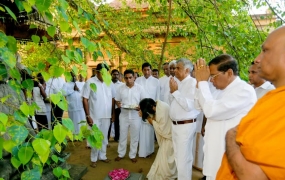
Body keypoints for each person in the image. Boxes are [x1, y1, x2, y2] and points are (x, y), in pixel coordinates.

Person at [216, 26, 285, 180]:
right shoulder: (273, 98)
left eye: (265, 51)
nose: (257, 59)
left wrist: (230, 138)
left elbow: (252, 176)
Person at [194, 55, 257, 180]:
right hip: (214, 153)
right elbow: (198, 106)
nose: (211, 81)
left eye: (213, 76)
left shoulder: (244, 91)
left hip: (227, 158)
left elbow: (211, 110)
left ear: (229, 73)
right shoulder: (219, 90)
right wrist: (198, 83)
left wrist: (202, 83)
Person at [169, 58, 199, 180]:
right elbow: (173, 103)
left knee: (183, 159)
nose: (175, 70)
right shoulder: (178, 83)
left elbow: (189, 106)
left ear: (187, 70)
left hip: (185, 126)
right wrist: (174, 92)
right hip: (176, 125)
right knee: (179, 157)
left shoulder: (192, 83)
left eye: (178, 68)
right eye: (175, 68)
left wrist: (175, 92)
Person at [82, 63, 114, 168]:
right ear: (97, 72)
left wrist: (113, 113)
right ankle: (94, 158)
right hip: (94, 115)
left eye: (106, 72)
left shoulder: (109, 83)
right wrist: (88, 116)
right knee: (95, 138)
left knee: (104, 137)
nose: (104, 74)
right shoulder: (90, 82)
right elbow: (85, 99)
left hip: (106, 115)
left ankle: (103, 156)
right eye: (102, 72)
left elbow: (112, 99)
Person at [139, 98, 177, 180]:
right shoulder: (158, 105)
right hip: (168, 137)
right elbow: (156, 119)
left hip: (169, 138)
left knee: (164, 159)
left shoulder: (161, 110)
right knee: (165, 158)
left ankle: (166, 175)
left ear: (152, 107)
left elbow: (161, 129)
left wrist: (149, 119)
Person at [114, 69, 145, 163]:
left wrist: (140, 107)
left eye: (130, 77)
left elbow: (143, 101)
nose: (128, 80)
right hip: (123, 115)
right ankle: (121, 154)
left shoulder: (140, 88)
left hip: (136, 116)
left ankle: (132, 155)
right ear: (124, 78)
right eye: (126, 78)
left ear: (134, 77)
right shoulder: (120, 88)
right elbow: (117, 100)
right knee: (122, 135)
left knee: (135, 136)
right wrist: (118, 104)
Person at [135, 62, 160, 158]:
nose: (146, 72)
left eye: (148, 70)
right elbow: (136, 94)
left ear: (151, 70)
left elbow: (157, 96)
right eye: (144, 70)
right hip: (141, 108)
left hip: (151, 108)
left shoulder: (156, 81)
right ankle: (142, 151)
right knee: (141, 129)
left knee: (150, 129)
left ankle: (150, 150)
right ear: (142, 71)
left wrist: (156, 108)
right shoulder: (138, 80)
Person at [108, 69, 123, 142]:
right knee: (109, 122)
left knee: (117, 122)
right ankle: (106, 138)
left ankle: (117, 137)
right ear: (111, 75)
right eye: (114, 74)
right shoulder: (107, 83)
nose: (116, 76)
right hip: (108, 106)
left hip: (117, 106)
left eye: (117, 74)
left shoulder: (121, 85)